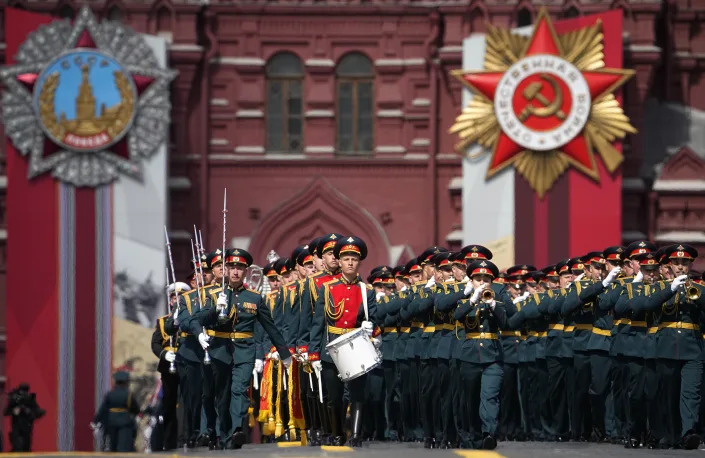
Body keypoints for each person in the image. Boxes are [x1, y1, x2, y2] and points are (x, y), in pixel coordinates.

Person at [188, 248, 292, 450]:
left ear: (245, 271)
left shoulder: (254, 298)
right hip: (219, 350)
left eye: (240, 268)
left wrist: (285, 354)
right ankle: (221, 434)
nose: (235, 272)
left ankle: (236, 430)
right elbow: (198, 319)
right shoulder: (214, 294)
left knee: (239, 390)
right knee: (222, 394)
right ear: (226, 270)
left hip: (244, 351)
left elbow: (270, 327)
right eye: (232, 267)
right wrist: (213, 312)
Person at [309, 236, 380, 447]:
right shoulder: (328, 287)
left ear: (359, 263)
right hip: (333, 346)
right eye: (346, 258)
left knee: (358, 392)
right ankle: (338, 432)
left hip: (357, 345)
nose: (350, 262)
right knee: (335, 395)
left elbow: (375, 319)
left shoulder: (366, 290)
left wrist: (372, 328)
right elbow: (318, 323)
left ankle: (356, 434)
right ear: (339, 262)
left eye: (354, 259)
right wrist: (314, 353)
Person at [92, 371, 140, 452]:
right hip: (125, 422)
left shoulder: (110, 394)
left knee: (112, 446)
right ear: (125, 382)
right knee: (124, 446)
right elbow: (135, 409)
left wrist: (96, 420)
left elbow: (103, 409)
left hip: (111, 421)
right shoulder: (128, 394)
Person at [4, 383, 45, 452]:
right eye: (21, 392)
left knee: (26, 448)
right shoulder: (15, 399)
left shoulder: (29, 400)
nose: (23, 394)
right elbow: (6, 412)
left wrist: (28, 411)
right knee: (17, 447)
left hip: (27, 428)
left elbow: (38, 412)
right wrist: (14, 411)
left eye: (25, 392)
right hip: (16, 429)